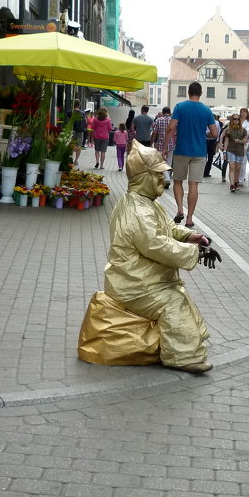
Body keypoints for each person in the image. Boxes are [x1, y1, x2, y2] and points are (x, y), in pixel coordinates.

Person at [97, 142, 220, 374]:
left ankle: (189, 342)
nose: (163, 181)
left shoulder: (144, 202)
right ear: (144, 177)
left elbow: (168, 229)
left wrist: (192, 236)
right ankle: (182, 356)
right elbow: (157, 245)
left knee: (179, 295)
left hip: (144, 279)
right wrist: (195, 252)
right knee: (173, 302)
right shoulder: (138, 210)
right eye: (157, 176)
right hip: (133, 284)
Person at [163, 81, 218, 228]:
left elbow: (170, 128)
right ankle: (189, 218)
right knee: (193, 185)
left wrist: (164, 148)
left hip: (181, 150)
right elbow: (214, 133)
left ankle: (180, 209)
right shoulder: (206, 110)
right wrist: (202, 134)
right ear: (200, 93)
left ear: (188, 92)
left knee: (178, 181)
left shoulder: (180, 107)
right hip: (199, 152)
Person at [151, 106, 176, 188]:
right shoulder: (173, 121)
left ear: (162, 111)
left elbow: (154, 132)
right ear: (169, 112)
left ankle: (167, 179)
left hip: (161, 145)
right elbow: (176, 132)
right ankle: (166, 179)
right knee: (168, 163)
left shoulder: (158, 120)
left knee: (162, 163)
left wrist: (151, 142)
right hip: (171, 144)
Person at [222, 113, 247, 193]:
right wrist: (224, 152)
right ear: (231, 120)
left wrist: (239, 141)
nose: (236, 120)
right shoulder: (228, 129)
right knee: (232, 167)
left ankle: (236, 182)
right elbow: (226, 141)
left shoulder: (243, 130)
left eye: (238, 119)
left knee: (238, 168)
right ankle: (232, 185)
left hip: (240, 151)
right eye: (234, 119)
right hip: (230, 150)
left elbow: (245, 141)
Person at [238, 108, 249, 186]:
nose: (243, 114)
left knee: (243, 162)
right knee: (237, 162)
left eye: (244, 112)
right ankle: (236, 178)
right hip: (237, 144)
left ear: (247, 113)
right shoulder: (237, 121)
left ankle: (241, 179)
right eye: (241, 112)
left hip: (246, 145)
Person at [70, 99, 87, 165]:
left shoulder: (71, 112)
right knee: (79, 146)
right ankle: (76, 160)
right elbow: (85, 122)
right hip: (80, 131)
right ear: (79, 105)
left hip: (72, 130)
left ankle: (70, 158)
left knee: (71, 145)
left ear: (73, 105)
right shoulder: (82, 113)